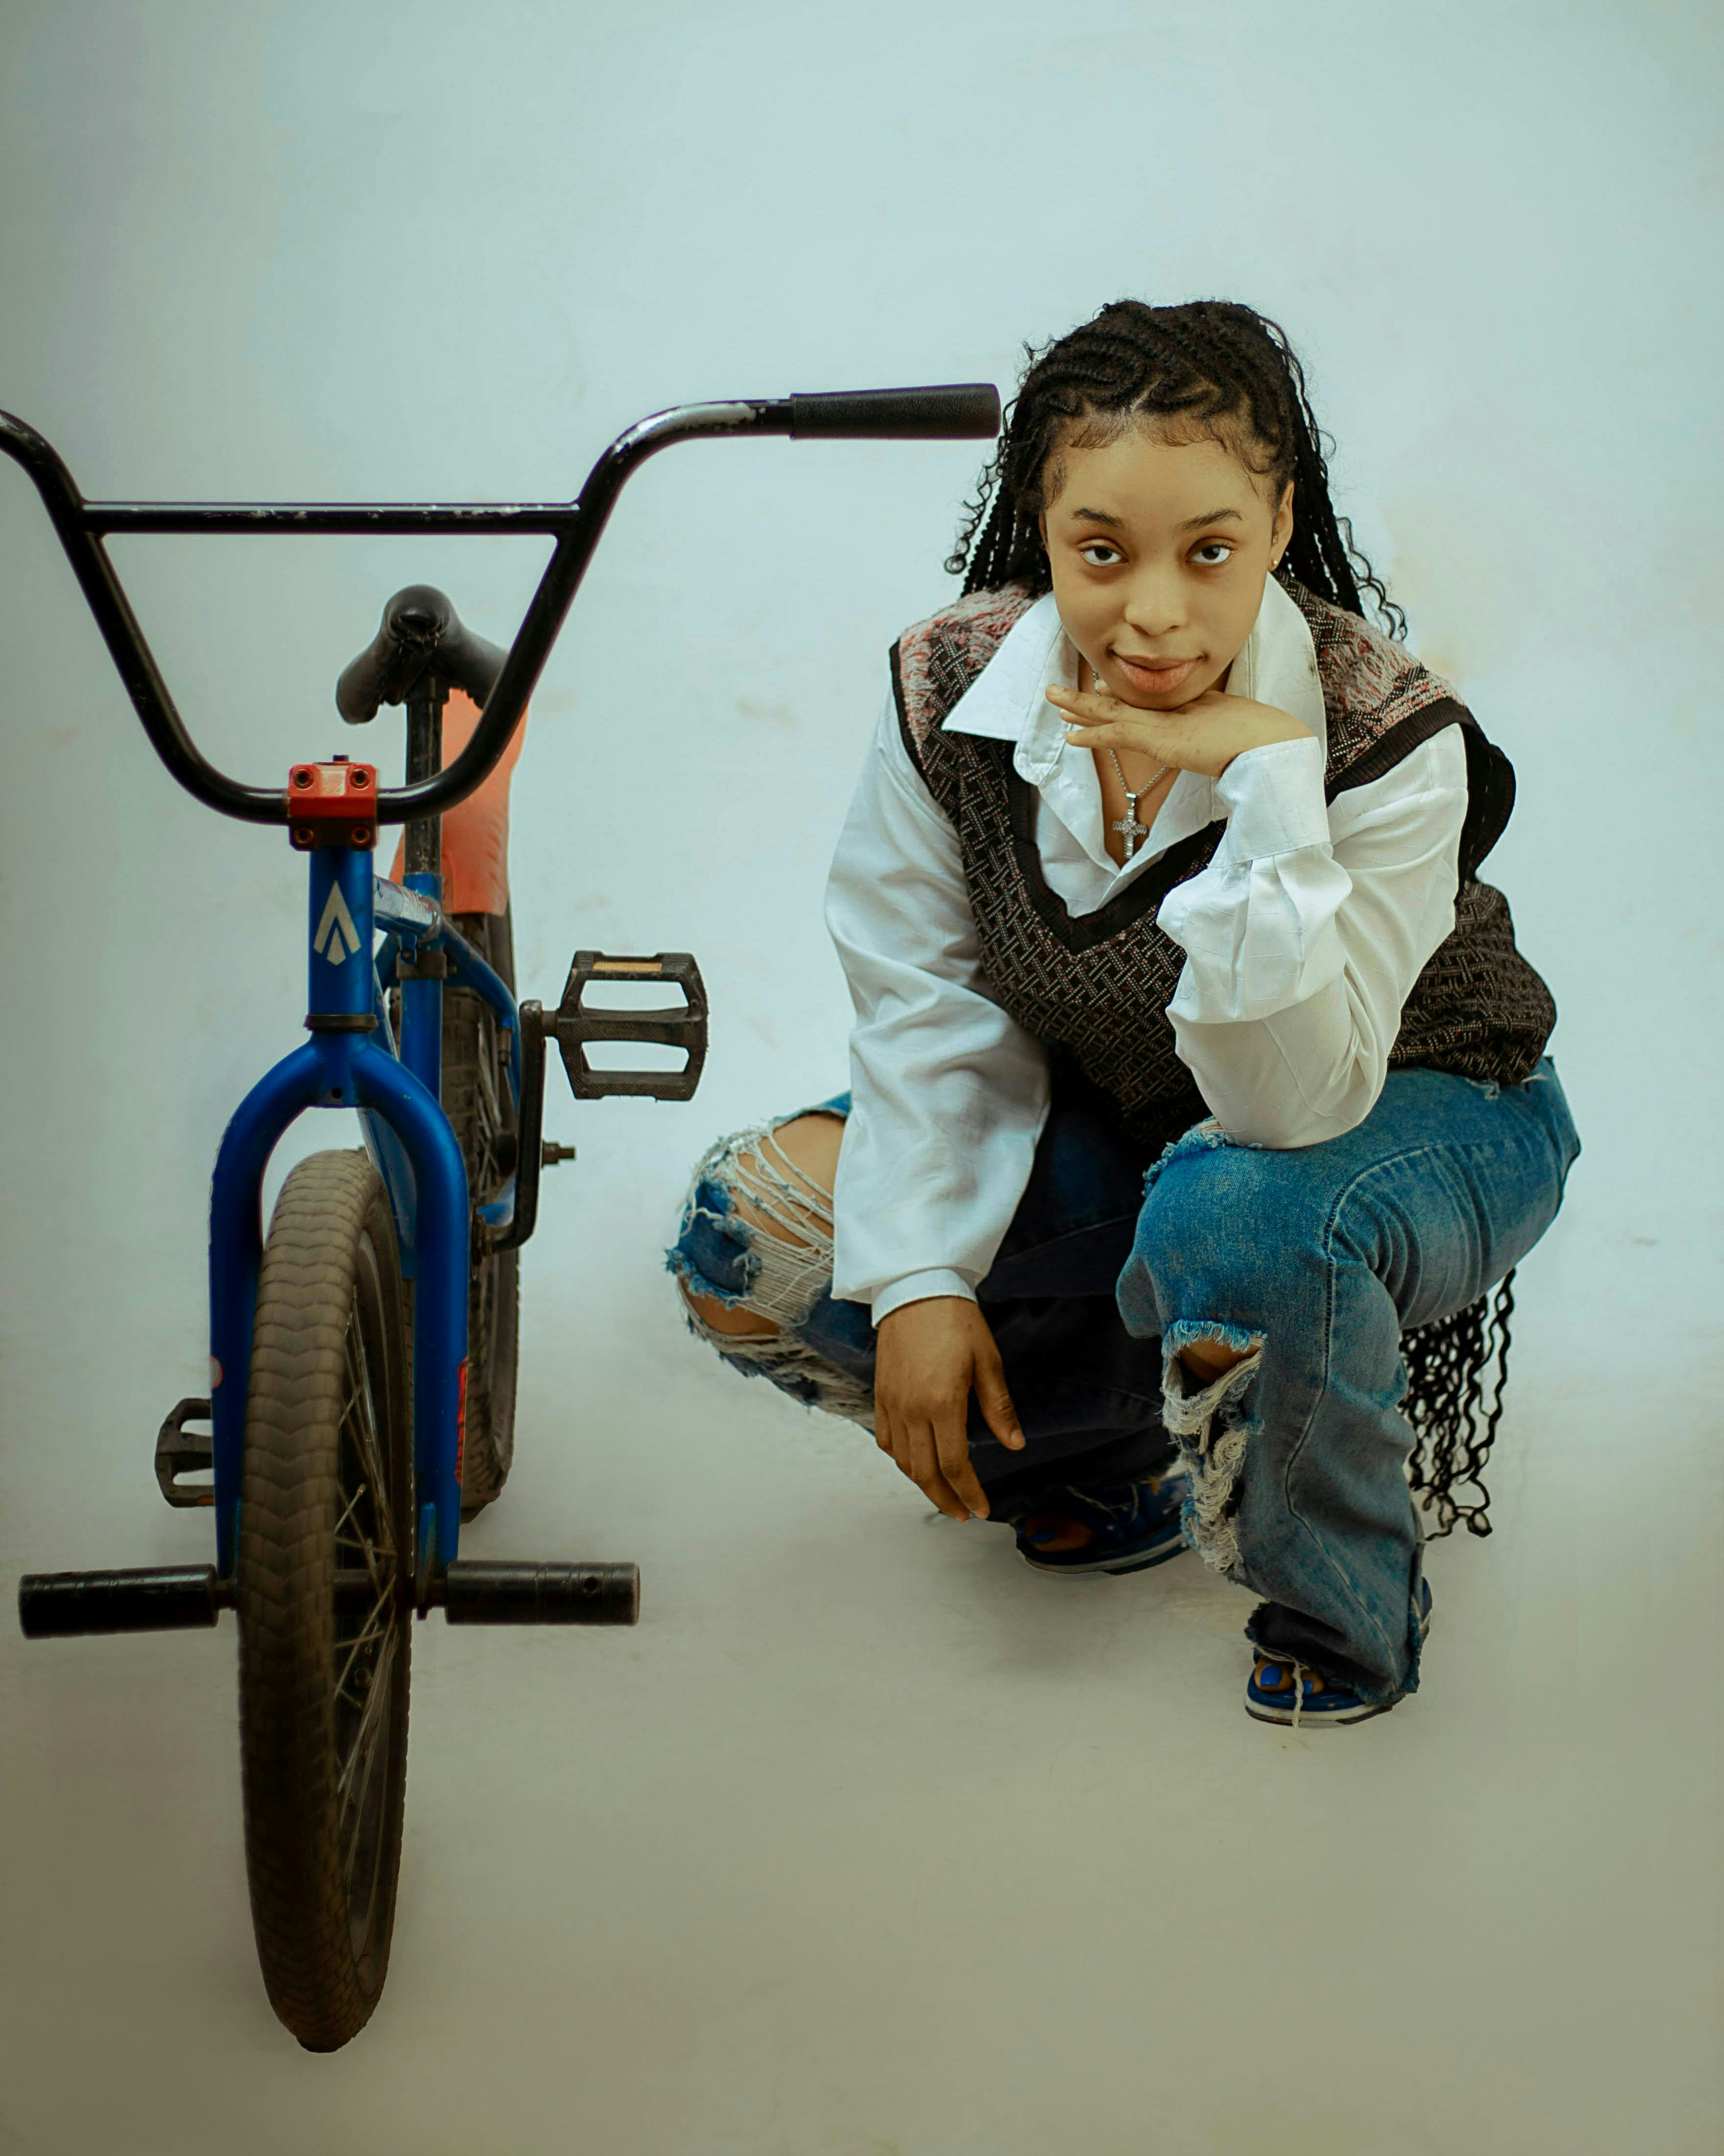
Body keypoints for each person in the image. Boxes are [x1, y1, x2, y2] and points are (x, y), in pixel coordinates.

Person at [666, 297, 1580, 1728]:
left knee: (1238, 1207)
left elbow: (1294, 1104)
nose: (1153, 609)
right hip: (1157, 1133)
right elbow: (932, 1009)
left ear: (1281, 523)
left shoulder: (1388, 739)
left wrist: (1272, 778)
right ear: (1043, 526)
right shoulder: (949, 693)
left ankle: (1345, 1607)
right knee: (759, 1230)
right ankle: (1092, 1467)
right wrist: (916, 1283)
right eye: (1102, 551)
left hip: (1429, 1112)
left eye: (1210, 550)